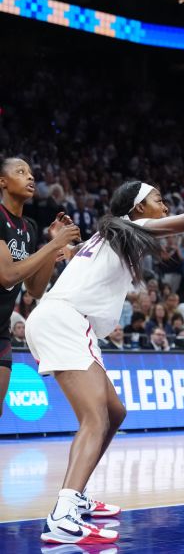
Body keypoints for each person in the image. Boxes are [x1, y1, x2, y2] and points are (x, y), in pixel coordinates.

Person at [24, 174, 184, 544]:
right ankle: (63, 515)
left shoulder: (109, 236)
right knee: (95, 418)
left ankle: (75, 499)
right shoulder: (130, 226)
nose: (164, 206)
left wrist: (62, 249)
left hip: (61, 319)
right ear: (138, 208)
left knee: (114, 413)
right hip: (65, 320)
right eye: (158, 200)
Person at [0, 157, 81, 418]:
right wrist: (53, 247)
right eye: (21, 172)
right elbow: (8, 275)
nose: (30, 177)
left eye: (32, 173)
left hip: (2, 331)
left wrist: (53, 244)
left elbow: (34, 290)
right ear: (3, 182)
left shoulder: (29, 227)